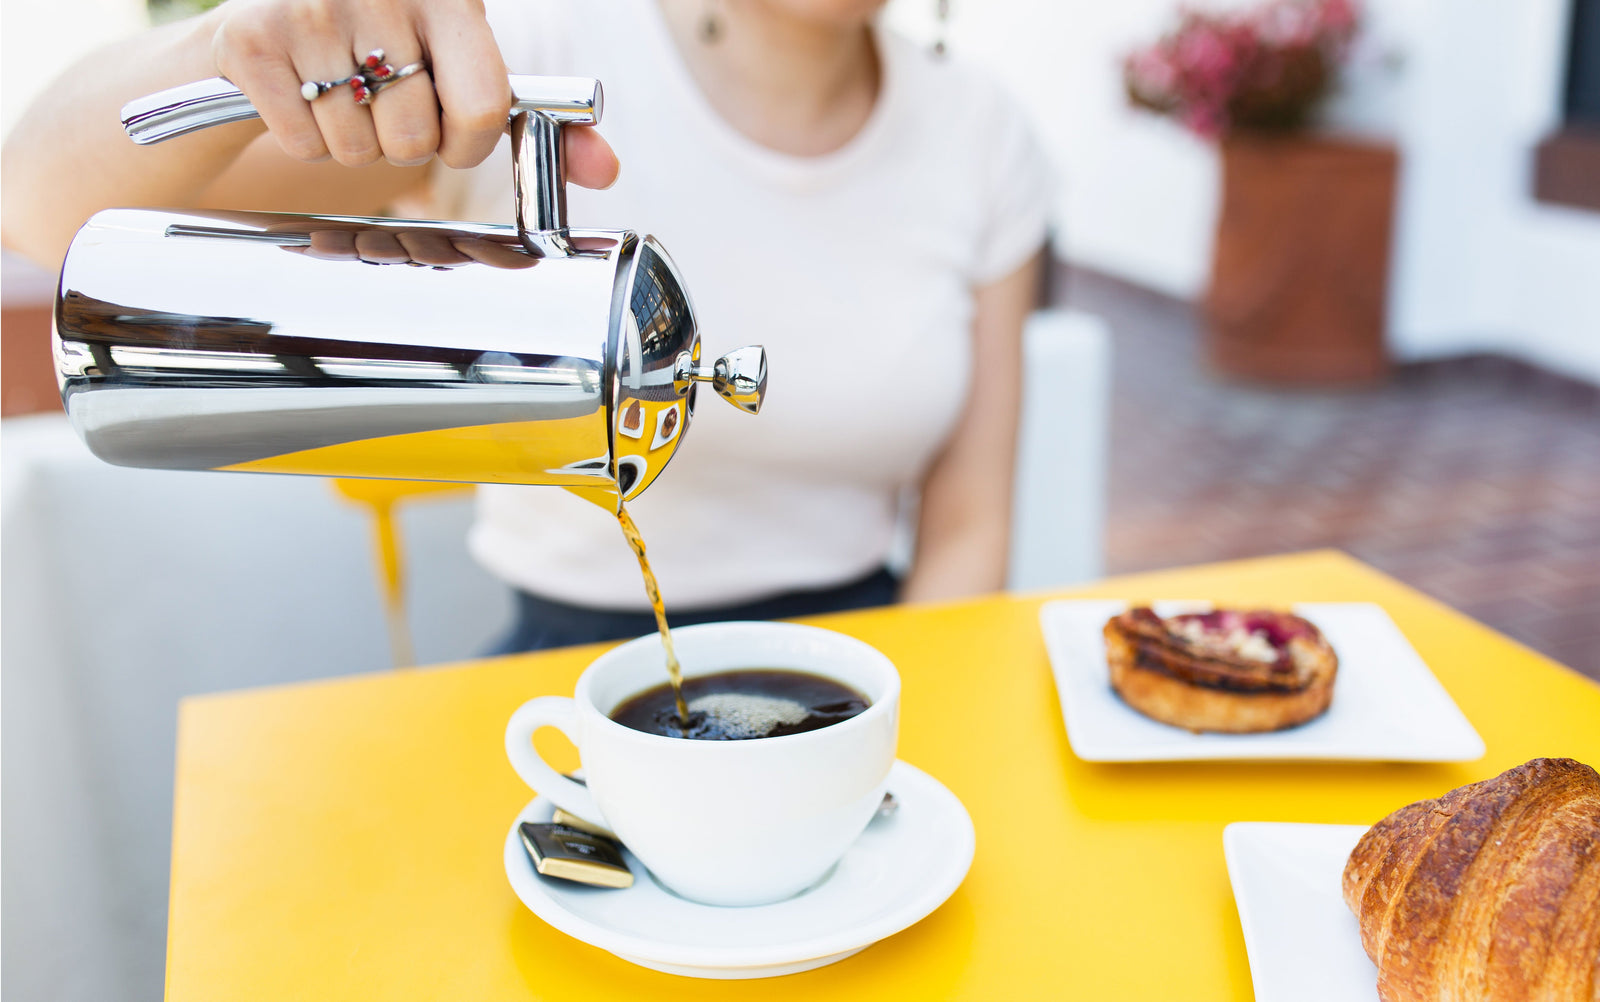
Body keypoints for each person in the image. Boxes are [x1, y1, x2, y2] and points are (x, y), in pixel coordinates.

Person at [2, 0, 1052, 653]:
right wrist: (233, 42)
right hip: (571, 659)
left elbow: (968, 527)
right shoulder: (513, 54)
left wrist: (888, 724)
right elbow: (42, 205)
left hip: (871, 643)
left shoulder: (982, 131)